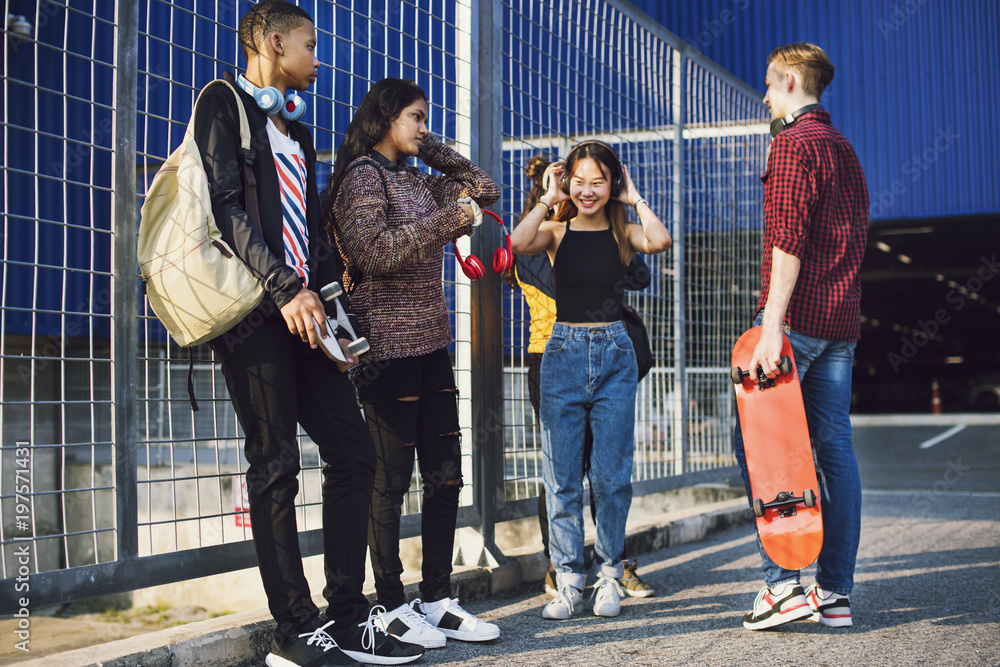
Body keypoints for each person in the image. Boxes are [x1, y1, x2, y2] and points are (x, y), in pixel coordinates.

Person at [195, 3, 425, 666]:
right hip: (254, 314)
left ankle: (348, 614)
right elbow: (226, 208)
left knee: (354, 455)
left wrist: (339, 319)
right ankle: (294, 631)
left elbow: (313, 235)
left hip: (308, 314)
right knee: (277, 463)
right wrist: (283, 287)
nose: (318, 57)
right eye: (309, 44)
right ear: (272, 43)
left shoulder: (295, 126)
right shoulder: (223, 103)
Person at [324, 78, 502, 649]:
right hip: (386, 353)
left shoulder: (418, 177)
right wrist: (450, 223)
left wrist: (428, 146)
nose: (425, 126)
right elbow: (373, 253)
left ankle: (437, 597)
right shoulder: (361, 178)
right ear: (383, 118)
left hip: (431, 345)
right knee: (390, 481)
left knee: (445, 472)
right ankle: (392, 603)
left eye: (427, 118)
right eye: (416, 117)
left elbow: (484, 189)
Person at [735, 42, 868, 630]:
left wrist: (771, 326)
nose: (763, 95)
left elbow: (787, 241)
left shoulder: (793, 143)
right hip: (842, 323)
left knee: (764, 452)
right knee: (834, 451)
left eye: (768, 83)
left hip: (799, 323)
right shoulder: (844, 147)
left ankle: (783, 587)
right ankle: (834, 594)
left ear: (790, 80)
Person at [511, 140, 671, 620]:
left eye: (597, 181)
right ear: (566, 182)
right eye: (578, 180)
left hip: (615, 353)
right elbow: (518, 243)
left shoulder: (624, 232)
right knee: (561, 477)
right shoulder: (556, 232)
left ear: (612, 184)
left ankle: (608, 577)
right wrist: (548, 197)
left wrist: (634, 197)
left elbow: (661, 241)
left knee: (609, 476)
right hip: (561, 353)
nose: (587, 190)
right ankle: (567, 581)